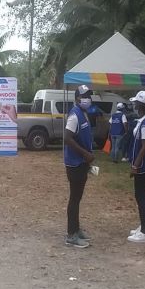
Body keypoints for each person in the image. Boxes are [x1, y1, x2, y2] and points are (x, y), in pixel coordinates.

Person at [63, 85, 95, 248]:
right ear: (77, 99)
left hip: (81, 162)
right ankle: (71, 235)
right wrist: (85, 154)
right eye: (84, 96)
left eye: (89, 96)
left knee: (77, 198)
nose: (88, 99)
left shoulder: (84, 113)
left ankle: (76, 229)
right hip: (75, 163)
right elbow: (67, 138)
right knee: (74, 199)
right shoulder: (74, 115)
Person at [127, 91, 145, 243]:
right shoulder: (144, 121)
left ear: (140, 106)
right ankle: (144, 226)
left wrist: (135, 165)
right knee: (141, 196)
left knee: (141, 197)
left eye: (135, 104)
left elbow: (144, 147)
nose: (134, 106)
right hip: (143, 167)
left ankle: (144, 231)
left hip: (143, 167)